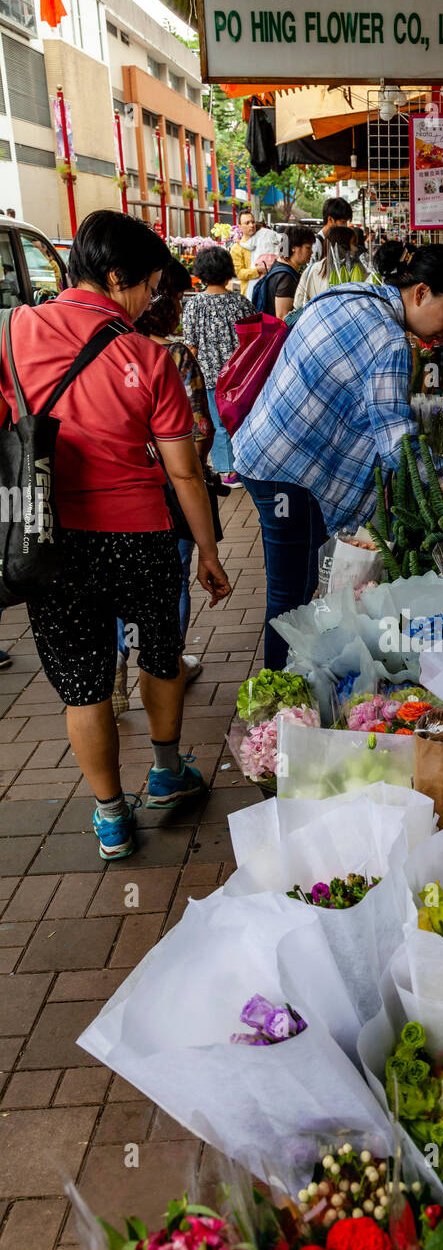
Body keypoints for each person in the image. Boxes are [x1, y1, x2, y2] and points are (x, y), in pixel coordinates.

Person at [0, 209, 232, 860]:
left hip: (50, 540)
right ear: (115, 276)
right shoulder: (145, 358)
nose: (152, 298)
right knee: (159, 650)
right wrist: (208, 550)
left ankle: (110, 817)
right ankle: (166, 772)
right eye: (149, 284)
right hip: (139, 534)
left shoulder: (12, 332)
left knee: (82, 681)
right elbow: (184, 473)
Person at [233, 244, 443, 668]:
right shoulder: (390, 341)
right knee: (288, 598)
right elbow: (396, 441)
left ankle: (288, 689)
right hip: (287, 469)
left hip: (267, 450)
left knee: (298, 583)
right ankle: (275, 705)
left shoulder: (349, 296)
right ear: (420, 293)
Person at [113, 261, 216, 715]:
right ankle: (168, 661)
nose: (179, 306)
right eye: (175, 296)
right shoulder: (173, 356)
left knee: (117, 589)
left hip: (114, 501)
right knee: (171, 583)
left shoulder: (110, 350)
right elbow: (198, 433)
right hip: (168, 501)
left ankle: (117, 662)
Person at [183, 245, 255, 485]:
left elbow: (190, 346)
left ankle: (227, 471)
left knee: (218, 425)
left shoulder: (194, 305)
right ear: (228, 271)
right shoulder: (241, 302)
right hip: (241, 377)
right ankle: (247, 465)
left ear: (201, 273)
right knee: (242, 421)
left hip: (209, 377)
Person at [254, 224, 314, 318]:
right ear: (294, 247)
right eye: (308, 248)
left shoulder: (278, 264)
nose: (312, 252)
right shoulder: (286, 278)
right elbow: (282, 317)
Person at [293, 226, 354, 311]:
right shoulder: (352, 272)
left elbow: (298, 303)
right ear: (343, 246)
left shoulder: (312, 269)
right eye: (353, 243)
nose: (355, 248)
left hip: (315, 321)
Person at [310, 195, 353, 263]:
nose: (345, 225)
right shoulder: (317, 243)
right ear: (330, 219)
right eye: (343, 222)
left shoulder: (338, 240)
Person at [230, 210, 259, 295]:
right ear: (240, 226)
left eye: (253, 222)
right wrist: (258, 271)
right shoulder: (237, 248)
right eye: (247, 223)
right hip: (250, 293)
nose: (251, 225)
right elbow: (239, 273)